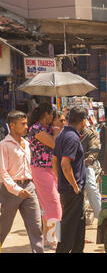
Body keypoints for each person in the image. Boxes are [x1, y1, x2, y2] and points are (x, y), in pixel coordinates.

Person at [0, 111, 44, 253]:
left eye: (26, 123)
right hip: (10, 190)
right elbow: (3, 172)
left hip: (29, 187)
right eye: (23, 124)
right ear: (12, 126)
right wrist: (18, 190)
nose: (26, 127)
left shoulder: (26, 143)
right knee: (4, 227)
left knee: (36, 226)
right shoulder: (4, 145)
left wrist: (32, 186)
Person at [52, 107, 88, 253]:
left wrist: (60, 180)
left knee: (78, 229)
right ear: (83, 121)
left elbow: (54, 160)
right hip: (73, 190)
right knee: (67, 230)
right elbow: (64, 163)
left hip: (68, 189)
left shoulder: (62, 134)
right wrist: (74, 185)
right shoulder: (72, 137)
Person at [27, 103, 62, 250]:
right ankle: (54, 239)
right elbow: (54, 144)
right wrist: (56, 131)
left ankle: (48, 239)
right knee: (54, 204)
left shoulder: (47, 129)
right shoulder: (35, 129)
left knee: (50, 204)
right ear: (46, 114)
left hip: (52, 169)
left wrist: (56, 128)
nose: (52, 118)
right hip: (41, 169)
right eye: (51, 115)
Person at [80, 116, 102, 220]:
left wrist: (89, 158)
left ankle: (101, 215)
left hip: (86, 165)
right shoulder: (67, 133)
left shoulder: (90, 133)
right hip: (69, 165)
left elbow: (95, 148)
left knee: (91, 187)